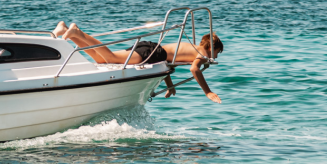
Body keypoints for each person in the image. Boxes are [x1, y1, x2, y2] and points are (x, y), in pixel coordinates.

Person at [54, 21, 224, 103]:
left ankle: (69, 32)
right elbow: (194, 70)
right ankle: (78, 32)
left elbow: (165, 63)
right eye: (217, 53)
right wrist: (207, 92)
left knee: (102, 59)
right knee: (111, 57)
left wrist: (169, 85)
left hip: (152, 49)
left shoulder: (191, 47)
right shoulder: (201, 54)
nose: (216, 57)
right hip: (153, 52)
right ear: (212, 48)